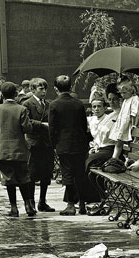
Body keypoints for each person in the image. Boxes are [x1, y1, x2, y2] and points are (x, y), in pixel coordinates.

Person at [49, 75, 98, 216]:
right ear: (70, 87)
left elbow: (52, 129)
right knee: (80, 174)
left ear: (55, 88)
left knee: (67, 174)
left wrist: (54, 144)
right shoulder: (78, 104)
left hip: (64, 145)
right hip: (79, 144)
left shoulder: (54, 105)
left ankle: (71, 204)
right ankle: (82, 203)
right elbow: (84, 126)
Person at [0, 82, 38, 217]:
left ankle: (13, 207)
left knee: (9, 179)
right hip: (19, 149)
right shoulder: (21, 109)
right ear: (15, 94)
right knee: (23, 177)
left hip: (3, 149)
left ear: (2, 94)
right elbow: (27, 128)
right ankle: (28, 205)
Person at [22, 78, 55, 212]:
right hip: (33, 142)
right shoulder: (27, 104)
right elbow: (26, 121)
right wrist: (41, 124)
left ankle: (43, 201)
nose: (44, 91)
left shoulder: (49, 104)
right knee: (32, 173)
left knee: (46, 173)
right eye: (41, 89)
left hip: (47, 143)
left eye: (45, 89)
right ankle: (31, 201)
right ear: (32, 89)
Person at [109, 82, 139, 159]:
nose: (122, 95)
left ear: (131, 91)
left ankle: (114, 158)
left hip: (128, 124)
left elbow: (134, 113)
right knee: (119, 142)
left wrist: (133, 125)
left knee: (120, 143)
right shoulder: (126, 100)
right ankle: (115, 158)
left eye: (124, 93)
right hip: (122, 124)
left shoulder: (134, 99)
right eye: (121, 93)